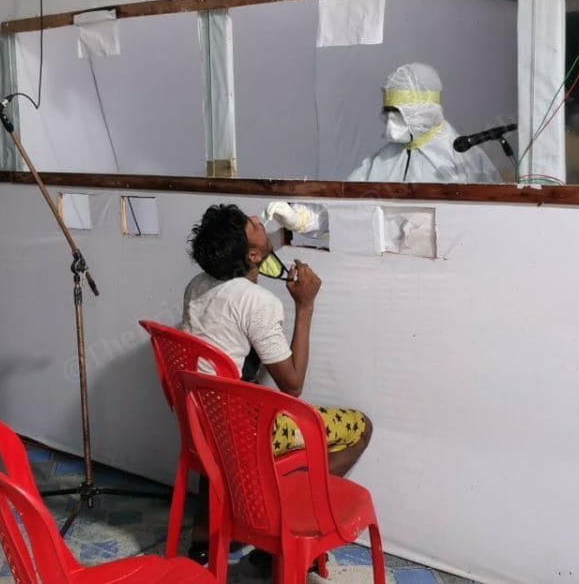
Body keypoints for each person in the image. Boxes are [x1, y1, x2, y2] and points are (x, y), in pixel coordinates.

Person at [180, 204, 373, 564]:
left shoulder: (197, 285)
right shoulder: (258, 303)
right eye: (252, 225)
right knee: (360, 427)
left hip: (200, 423)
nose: (258, 220)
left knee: (219, 407)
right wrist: (305, 305)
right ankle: (285, 531)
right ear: (253, 254)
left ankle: (204, 536)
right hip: (242, 433)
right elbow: (293, 384)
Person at [347, 62, 502, 183]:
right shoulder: (382, 159)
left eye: (399, 113)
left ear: (424, 110)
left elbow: (485, 211)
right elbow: (348, 193)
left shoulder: (461, 156)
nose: (391, 120)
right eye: (388, 112)